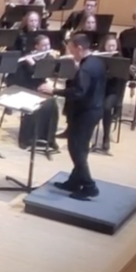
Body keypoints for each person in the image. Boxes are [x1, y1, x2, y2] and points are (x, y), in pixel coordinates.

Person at [40, 34, 105, 200]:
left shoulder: (85, 68)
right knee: (80, 147)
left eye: (71, 49)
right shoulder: (96, 62)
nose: (70, 53)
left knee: (76, 148)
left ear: (79, 48)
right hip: (95, 108)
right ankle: (75, 181)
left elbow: (78, 92)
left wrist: (54, 91)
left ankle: (90, 186)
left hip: (86, 112)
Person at [9, 35, 59, 150]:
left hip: (39, 86)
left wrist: (33, 65)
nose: (47, 47)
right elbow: (18, 77)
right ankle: (26, 139)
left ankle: (49, 139)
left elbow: (42, 74)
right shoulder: (27, 58)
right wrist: (28, 63)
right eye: (44, 45)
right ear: (36, 46)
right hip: (25, 86)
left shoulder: (49, 58)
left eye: (48, 45)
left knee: (52, 105)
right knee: (31, 106)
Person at [95, 35, 126, 153]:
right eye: (109, 46)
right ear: (104, 46)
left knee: (106, 107)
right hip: (99, 90)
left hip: (113, 93)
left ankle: (105, 137)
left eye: (114, 46)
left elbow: (122, 81)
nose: (112, 48)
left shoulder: (120, 60)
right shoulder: (98, 58)